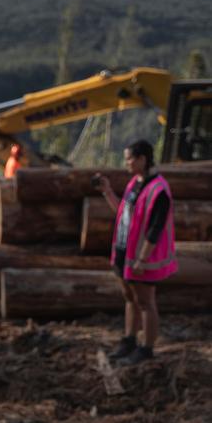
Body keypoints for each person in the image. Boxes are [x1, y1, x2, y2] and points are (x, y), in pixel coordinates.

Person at [94, 139, 177, 365]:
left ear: (142, 159)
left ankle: (146, 348)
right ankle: (129, 341)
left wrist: (142, 258)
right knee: (129, 298)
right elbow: (123, 212)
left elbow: (155, 229)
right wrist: (107, 191)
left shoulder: (159, 190)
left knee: (146, 302)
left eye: (130, 159)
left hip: (142, 258)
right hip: (124, 253)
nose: (127, 163)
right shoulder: (135, 183)